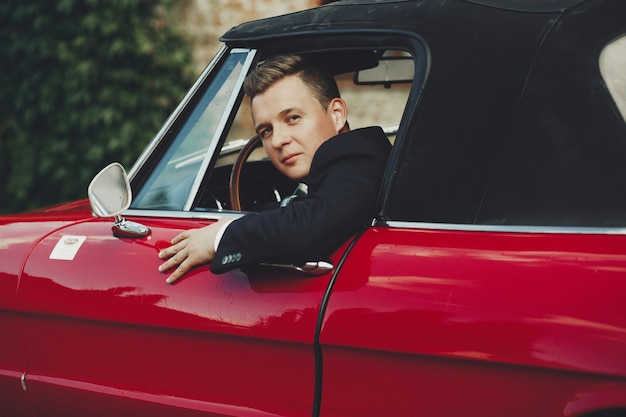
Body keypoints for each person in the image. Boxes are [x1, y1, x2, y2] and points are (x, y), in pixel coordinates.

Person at [158, 54, 391, 283]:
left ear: (337, 115)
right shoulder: (333, 171)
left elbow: (307, 228)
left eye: (292, 118)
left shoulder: (363, 161)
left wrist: (221, 236)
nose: (278, 141)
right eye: (266, 131)